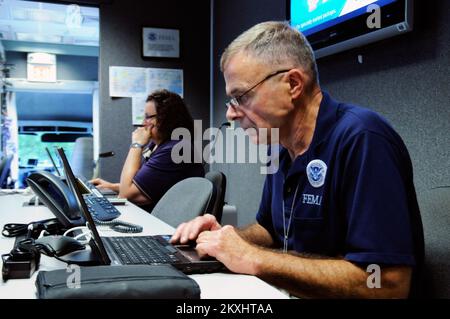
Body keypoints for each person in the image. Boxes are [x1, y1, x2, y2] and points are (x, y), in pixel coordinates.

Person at [170, 21, 424, 298]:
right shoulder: (281, 148)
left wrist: (254, 258)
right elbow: (270, 230)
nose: (231, 114)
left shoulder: (363, 138)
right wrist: (226, 239)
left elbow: (388, 284)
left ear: (292, 84)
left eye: (240, 96)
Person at [91, 89, 204, 212]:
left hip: (168, 225)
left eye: (148, 117)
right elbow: (143, 185)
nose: (143, 123)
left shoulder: (175, 150)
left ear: (166, 118)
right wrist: (112, 187)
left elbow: (127, 194)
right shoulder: (156, 145)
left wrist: (136, 145)